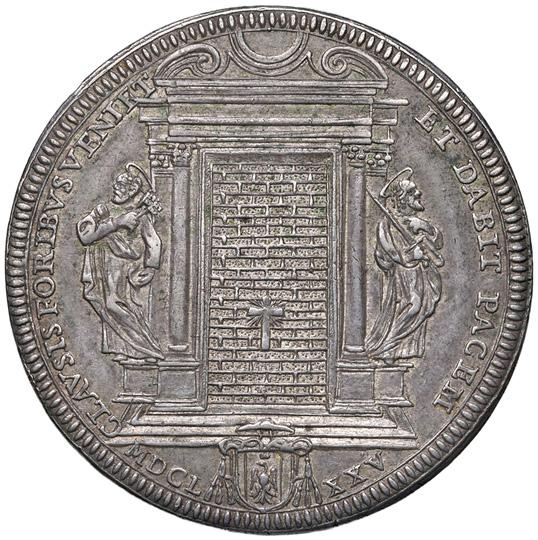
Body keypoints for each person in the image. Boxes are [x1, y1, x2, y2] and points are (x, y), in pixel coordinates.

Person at [76, 165, 164, 363]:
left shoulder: (139, 216)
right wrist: (117, 222)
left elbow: (154, 241)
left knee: (115, 304)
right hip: (101, 266)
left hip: (123, 268)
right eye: (117, 184)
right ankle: (122, 348)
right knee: (106, 306)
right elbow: (85, 236)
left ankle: (148, 348)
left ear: (133, 191)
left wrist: (151, 268)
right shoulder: (102, 210)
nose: (117, 187)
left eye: (124, 186)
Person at [366, 168, 443, 363]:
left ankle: (398, 351)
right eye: (412, 192)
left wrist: (426, 227)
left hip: (422, 274)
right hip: (403, 276)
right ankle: (385, 347)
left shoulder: (417, 222)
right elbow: (386, 252)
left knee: (423, 308)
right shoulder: (387, 224)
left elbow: (437, 243)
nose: (418, 193)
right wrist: (409, 256)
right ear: (402, 199)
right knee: (413, 307)